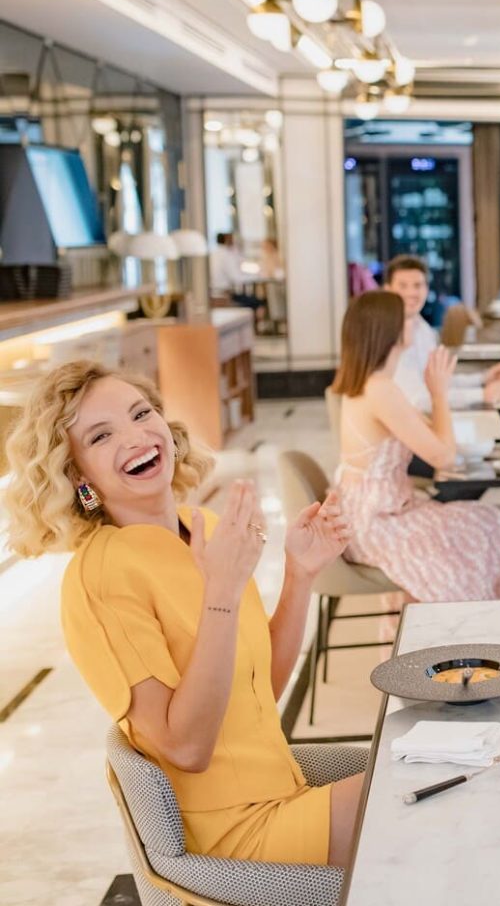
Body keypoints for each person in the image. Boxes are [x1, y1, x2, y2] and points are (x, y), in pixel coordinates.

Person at [3, 361, 361, 867]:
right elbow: (187, 749)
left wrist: (300, 575)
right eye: (101, 435)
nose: (136, 436)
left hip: (286, 790)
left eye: (140, 413)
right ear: (75, 473)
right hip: (233, 841)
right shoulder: (101, 579)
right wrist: (223, 591)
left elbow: (260, 694)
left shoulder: (203, 526)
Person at [331, 291, 500, 602]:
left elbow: (429, 434)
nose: (414, 322)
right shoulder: (380, 390)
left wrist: (439, 391)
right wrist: (439, 393)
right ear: (391, 331)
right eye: (406, 318)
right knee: (485, 529)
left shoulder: (374, 383)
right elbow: (444, 457)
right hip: (378, 523)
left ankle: (492, 630)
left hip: (376, 511)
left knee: (489, 522)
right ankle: (473, 636)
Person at [384, 255, 500, 411]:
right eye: (403, 286)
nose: (411, 293)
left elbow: (437, 381)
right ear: (388, 289)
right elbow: (417, 400)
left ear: (426, 289)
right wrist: (481, 394)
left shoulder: (423, 328)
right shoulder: (387, 335)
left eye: (417, 285)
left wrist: (483, 378)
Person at [210, 232, 265, 315]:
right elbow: (236, 278)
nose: (233, 241)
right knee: (258, 301)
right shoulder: (226, 255)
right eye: (232, 239)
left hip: (214, 294)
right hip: (225, 296)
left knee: (250, 299)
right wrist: (257, 277)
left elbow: (240, 261)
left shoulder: (214, 254)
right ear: (227, 239)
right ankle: (253, 325)